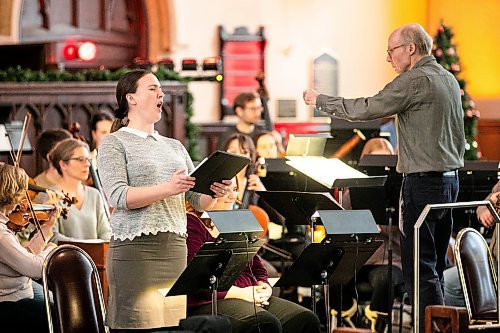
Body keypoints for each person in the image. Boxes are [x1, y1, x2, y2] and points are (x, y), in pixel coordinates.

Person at [303, 23, 465, 332]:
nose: (389, 58)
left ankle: (427, 329)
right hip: (449, 182)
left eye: (391, 51)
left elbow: (368, 108)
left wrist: (321, 100)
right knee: (434, 267)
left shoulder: (413, 81)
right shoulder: (447, 78)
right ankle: (438, 326)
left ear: (411, 49)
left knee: (420, 269)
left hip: (422, 184)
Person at [97, 69, 230, 331]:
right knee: (140, 326)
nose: (161, 93)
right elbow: (119, 196)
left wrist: (214, 192)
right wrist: (169, 188)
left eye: (161, 89)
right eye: (152, 88)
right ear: (131, 98)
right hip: (137, 250)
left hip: (174, 251)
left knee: (171, 328)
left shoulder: (174, 146)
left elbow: (197, 200)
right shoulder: (114, 143)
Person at [186, 178, 321, 333]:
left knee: (306, 318)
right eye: (226, 190)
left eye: (235, 189)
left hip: (250, 295)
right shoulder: (192, 223)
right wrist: (243, 294)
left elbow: (258, 268)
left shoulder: (237, 221)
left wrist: (265, 287)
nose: (232, 196)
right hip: (212, 299)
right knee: (265, 323)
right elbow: (197, 280)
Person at [0, 162, 59, 333]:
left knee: (58, 305)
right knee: (61, 314)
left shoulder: (4, 226)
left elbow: (23, 258)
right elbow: (34, 268)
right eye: (21, 192)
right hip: (10, 303)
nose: (24, 199)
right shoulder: (2, 234)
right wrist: (51, 250)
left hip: (21, 293)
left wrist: (47, 228)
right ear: (11, 192)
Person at [443, 180, 500, 307]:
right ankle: (481, 322)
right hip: (495, 261)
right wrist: (486, 210)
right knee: (447, 283)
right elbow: (485, 204)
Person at [48, 138, 111, 242]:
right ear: (63, 164)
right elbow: (52, 236)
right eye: (81, 159)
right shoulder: (51, 195)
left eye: (88, 159)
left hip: (95, 257)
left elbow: (105, 232)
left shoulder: (94, 194)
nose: (87, 164)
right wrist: (87, 247)